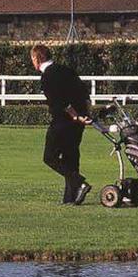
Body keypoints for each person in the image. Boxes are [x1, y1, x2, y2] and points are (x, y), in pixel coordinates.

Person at [31, 43, 92, 205]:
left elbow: (61, 102)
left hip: (62, 122)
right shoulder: (66, 70)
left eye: (32, 59)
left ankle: (79, 182)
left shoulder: (47, 76)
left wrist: (75, 116)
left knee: (49, 157)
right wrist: (85, 115)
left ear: (38, 58)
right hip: (78, 122)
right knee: (70, 158)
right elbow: (84, 93)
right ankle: (70, 198)